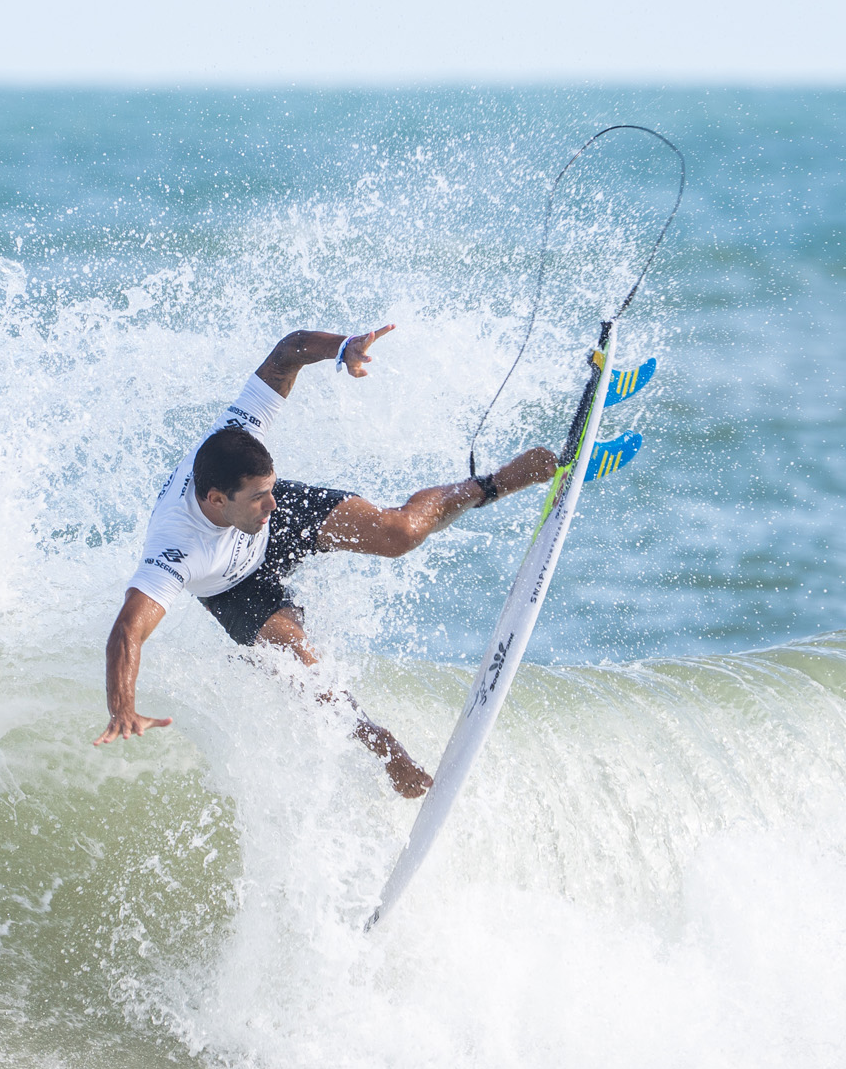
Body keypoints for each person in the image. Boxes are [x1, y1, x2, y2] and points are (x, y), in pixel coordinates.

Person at [92, 325, 557, 798]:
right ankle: (386, 749)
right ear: (214, 499)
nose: (271, 503)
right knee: (309, 676)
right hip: (235, 589)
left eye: (269, 489)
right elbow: (128, 630)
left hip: (255, 530)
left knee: (400, 533)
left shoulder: (240, 444)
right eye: (258, 496)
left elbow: (287, 351)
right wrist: (122, 707)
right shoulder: (177, 546)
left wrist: (342, 348)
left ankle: (497, 483)